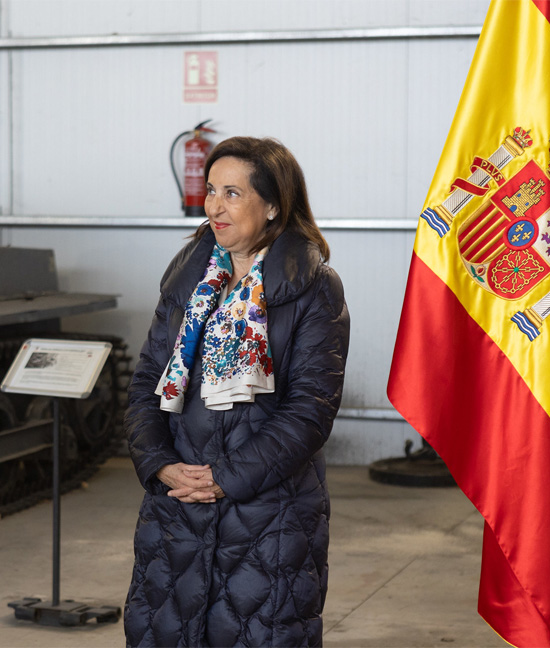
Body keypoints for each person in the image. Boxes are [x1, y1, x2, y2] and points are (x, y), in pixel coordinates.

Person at [124, 136, 350, 647]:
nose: (215, 206)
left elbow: (310, 411)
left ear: (272, 205)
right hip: (177, 502)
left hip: (271, 513)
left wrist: (225, 478)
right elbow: (145, 384)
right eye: (210, 190)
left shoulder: (312, 288)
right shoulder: (188, 284)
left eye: (232, 192)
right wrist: (159, 464)